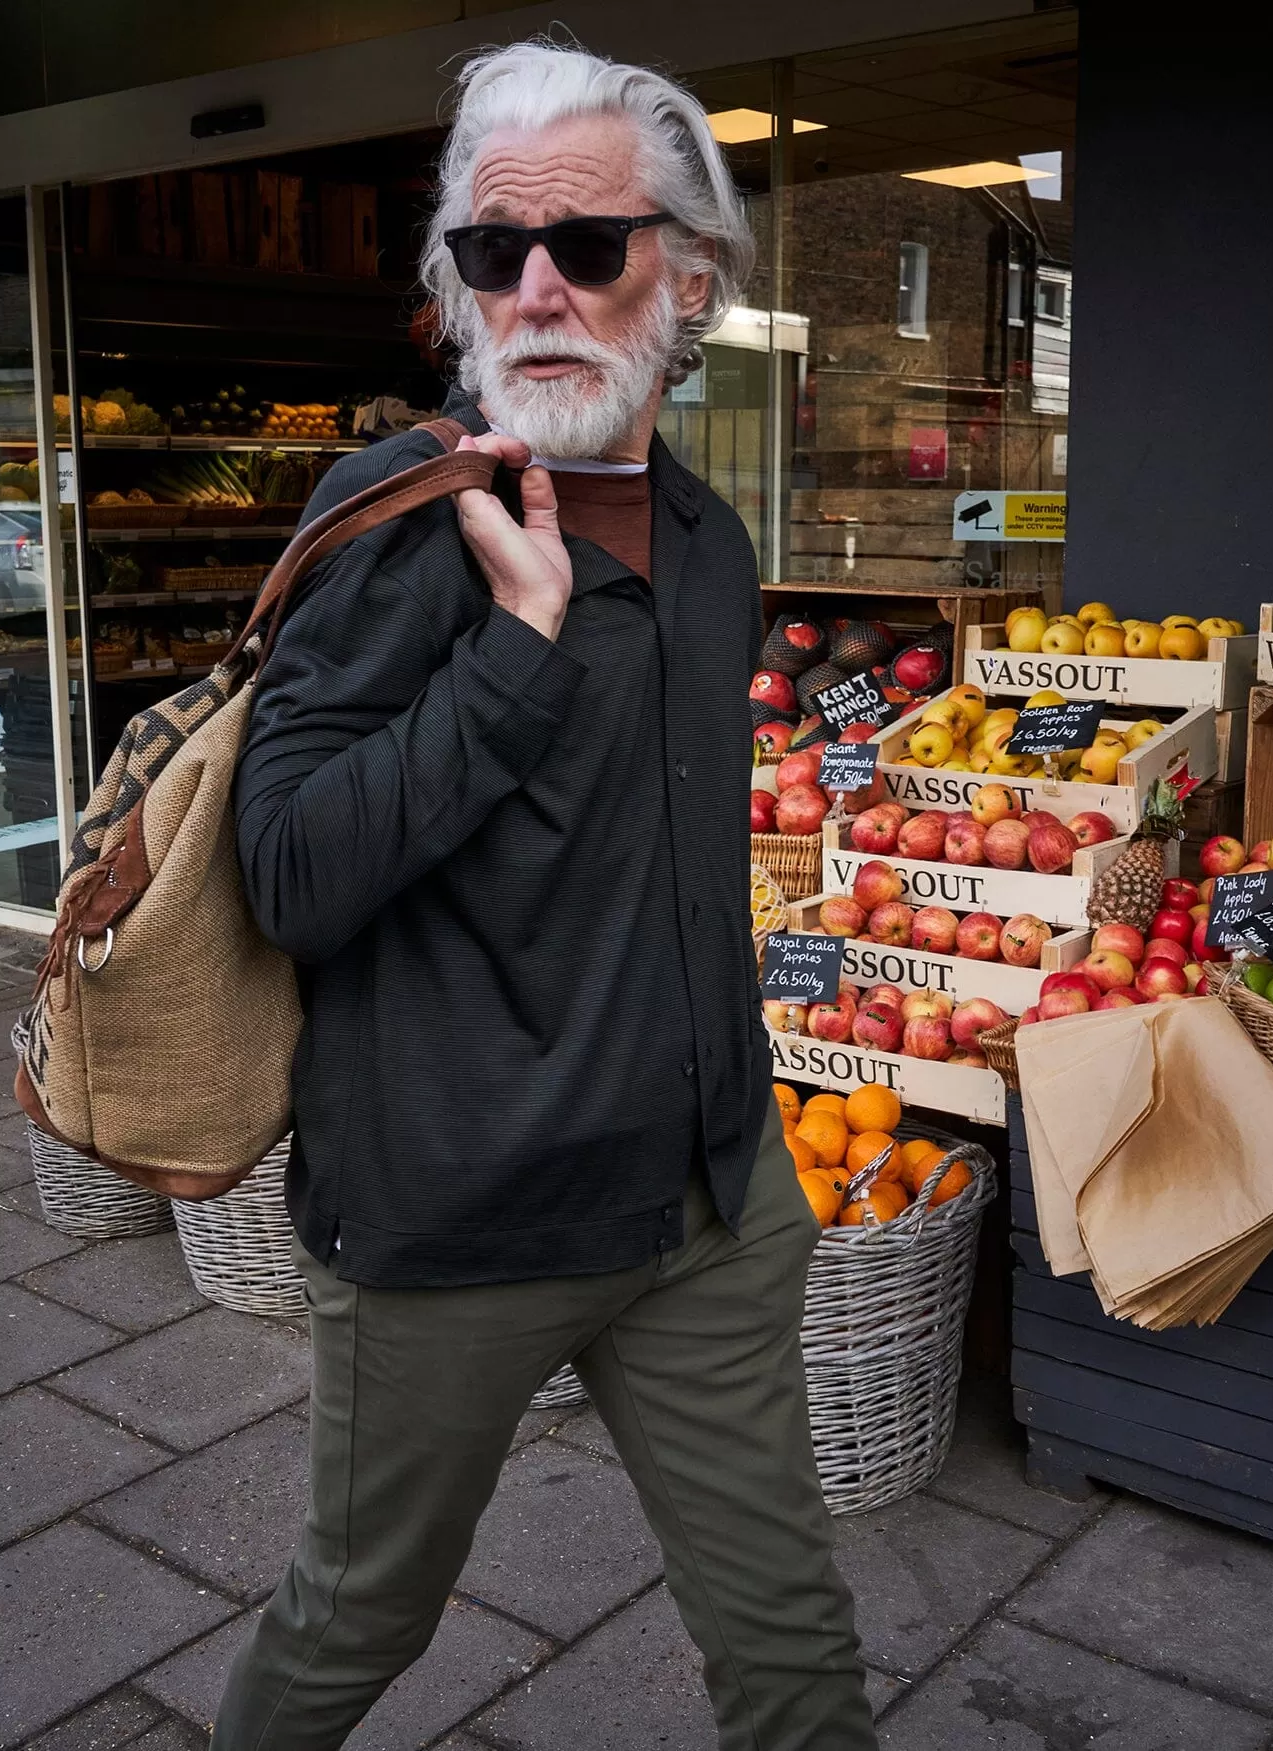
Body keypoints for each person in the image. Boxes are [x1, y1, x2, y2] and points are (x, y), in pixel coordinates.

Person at [212, 39, 878, 1751]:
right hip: (455, 1223)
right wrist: (517, 645)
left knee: (794, 1640)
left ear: (689, 275)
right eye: (490, 253)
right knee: (355, 1617)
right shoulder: (397, 515)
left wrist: (744, 1128)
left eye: (586, 246)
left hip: (707, 1214)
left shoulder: (720, 547)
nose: (535, 290)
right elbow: (289, 871)